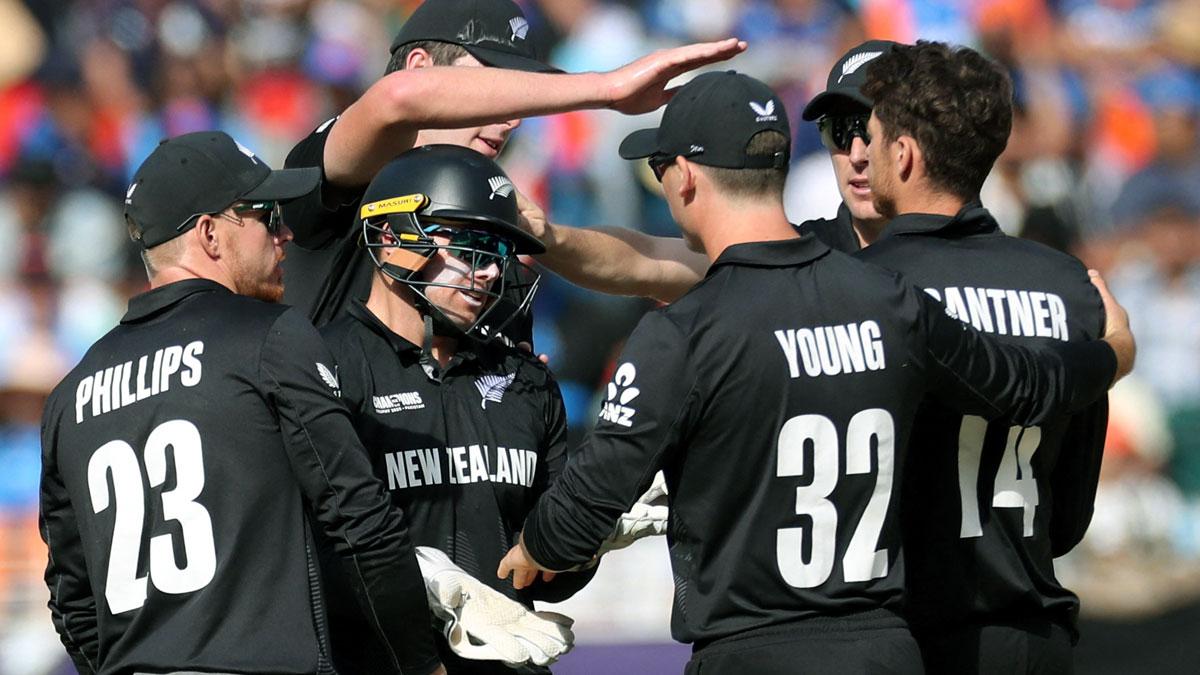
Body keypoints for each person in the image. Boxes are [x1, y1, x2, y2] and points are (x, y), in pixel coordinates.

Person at [495, 71, 1133, 674]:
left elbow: (587, 502)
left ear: (683, 177)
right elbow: (1027, 386)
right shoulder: (888, 301)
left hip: (753, 647)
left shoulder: (684, 329)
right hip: (888, 645)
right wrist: (1112, 354)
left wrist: (536, 549)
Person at [39, 132, 443, 675]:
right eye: (266, 216)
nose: (287, 234)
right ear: (210, 234)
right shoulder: (269, 338)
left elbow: (74, 604)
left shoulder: (70, 395)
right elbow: (359, 520)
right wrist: (420, 663)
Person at [856, 42, 1110, 673]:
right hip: (1031, 634)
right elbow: (1071, 509)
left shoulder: (857, 287)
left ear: (905, 153)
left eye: (872, 135)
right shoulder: (1070, 283)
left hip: (903, 637)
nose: (861, 152)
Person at [280, 0, 747, 330]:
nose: (514, 115)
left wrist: (549, 239)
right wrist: (606, 89)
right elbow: (397, 100)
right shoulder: (337, 168)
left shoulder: (490, 198)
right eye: (496, 82)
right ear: (420, 66)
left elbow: (671, 268)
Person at [317, 145, 593, 674]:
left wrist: (585, 534)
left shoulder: (526, 380)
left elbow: (557, 581)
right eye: (470, 247)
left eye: (498, 252)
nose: (490, 271)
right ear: (393, 236)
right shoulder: (320, 369)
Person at [511, 40, 900, 301]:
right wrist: (546, 236)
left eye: (869, 128)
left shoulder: (959, 253)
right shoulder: (804, 256)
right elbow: (644, 260)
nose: (856, 152)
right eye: (838, 130)